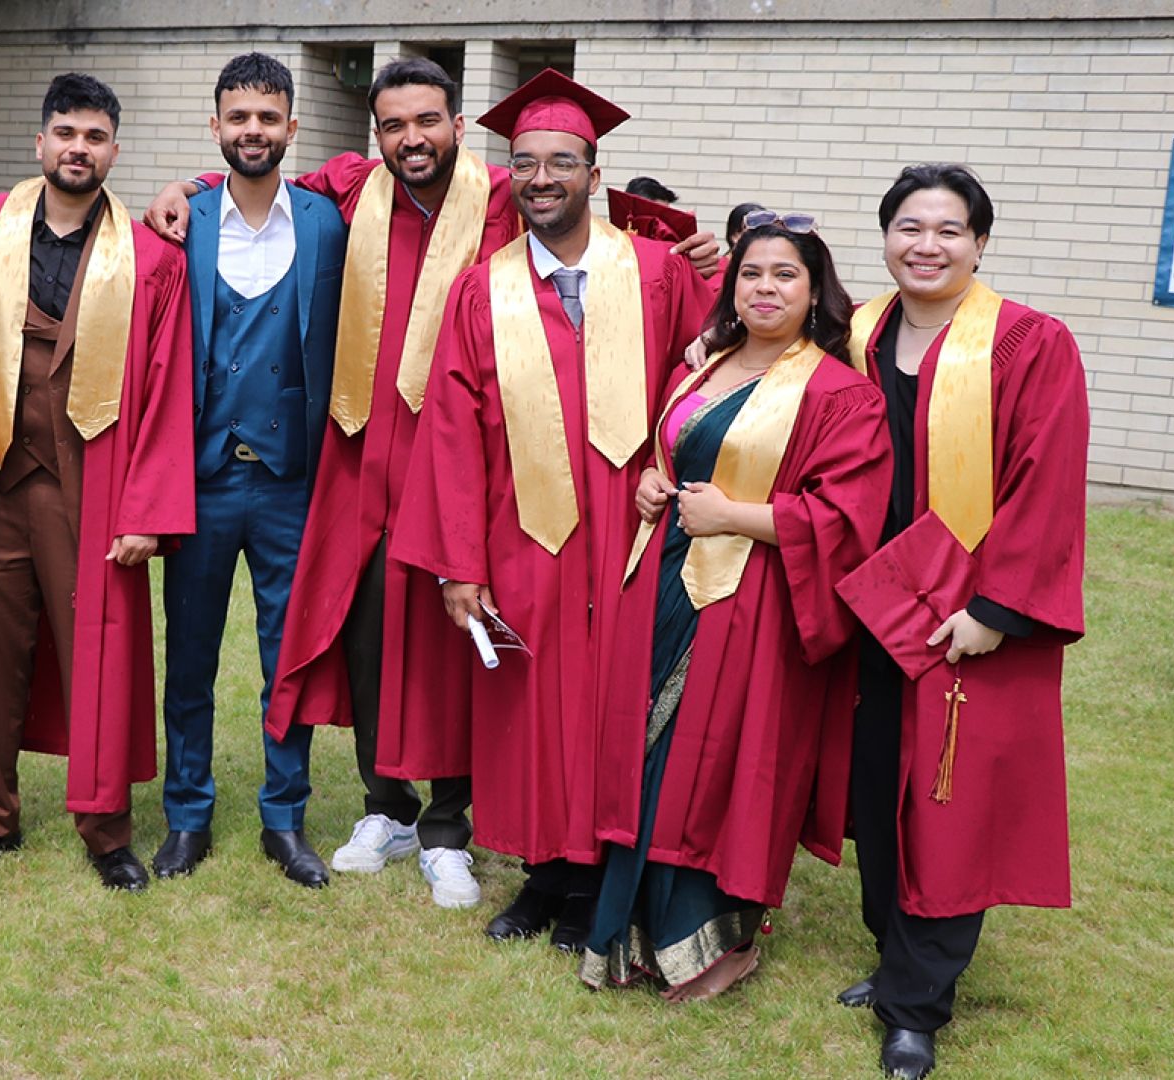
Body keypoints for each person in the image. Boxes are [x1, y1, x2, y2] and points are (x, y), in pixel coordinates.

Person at [390, 68, 716, 947]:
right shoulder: (479, 290)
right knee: (532, 710)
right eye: (526, 162)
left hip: (634, 534)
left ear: (595, 174)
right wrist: (460, 566)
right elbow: (450, 437)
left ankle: (599, 886)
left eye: (562, 162)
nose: (542, 178)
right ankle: (544, 877)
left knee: (618, 703)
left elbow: (713, 385)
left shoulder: (655, 273)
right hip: (524, 535)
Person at [579, 212, 891, 1000]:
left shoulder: (839, 393)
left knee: (718, 759)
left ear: (816, 289)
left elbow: (847, 519)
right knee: (651, 748)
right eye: (752, 272)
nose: (765, 288)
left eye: (786, 275)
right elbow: (673, 457)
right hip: (665, 581)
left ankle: (708, 943)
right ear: (732, 282)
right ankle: (630, 932)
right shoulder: (700, 368)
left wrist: (739, 517)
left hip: (756, 602)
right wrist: (652, 486)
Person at [838, 164, 1086, 1080]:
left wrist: (995, 607)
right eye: (909, 226)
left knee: (947, 802)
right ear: (887, 236)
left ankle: (916, 1005)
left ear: (981, 242)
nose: (926, 245)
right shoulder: (859, 332)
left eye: (948, 229)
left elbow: (1047, 482)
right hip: (869, 597)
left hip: (965, 612)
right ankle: (892, 951)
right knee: (875, 786)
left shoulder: (1027, 343)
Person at [0, 72, 194, 892]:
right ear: (38, 142)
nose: (78, 149)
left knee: (103, 652)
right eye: (65, 134)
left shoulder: (151, 256)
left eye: (94, 137)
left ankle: (105, 829)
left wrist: (148, 509)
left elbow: (167, 383)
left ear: (114, 150)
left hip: (95, 478)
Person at [154, 53, 347, 887]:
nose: (253, 132)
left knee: (286, 656)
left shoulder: (328, 223)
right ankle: (186, 816)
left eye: (268, 118)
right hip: (197, 478)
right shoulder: (180, 223)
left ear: (292, 128)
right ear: (216, 128)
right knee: (190, 657)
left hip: (289, 482)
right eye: (238, 118)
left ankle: (285, 817)